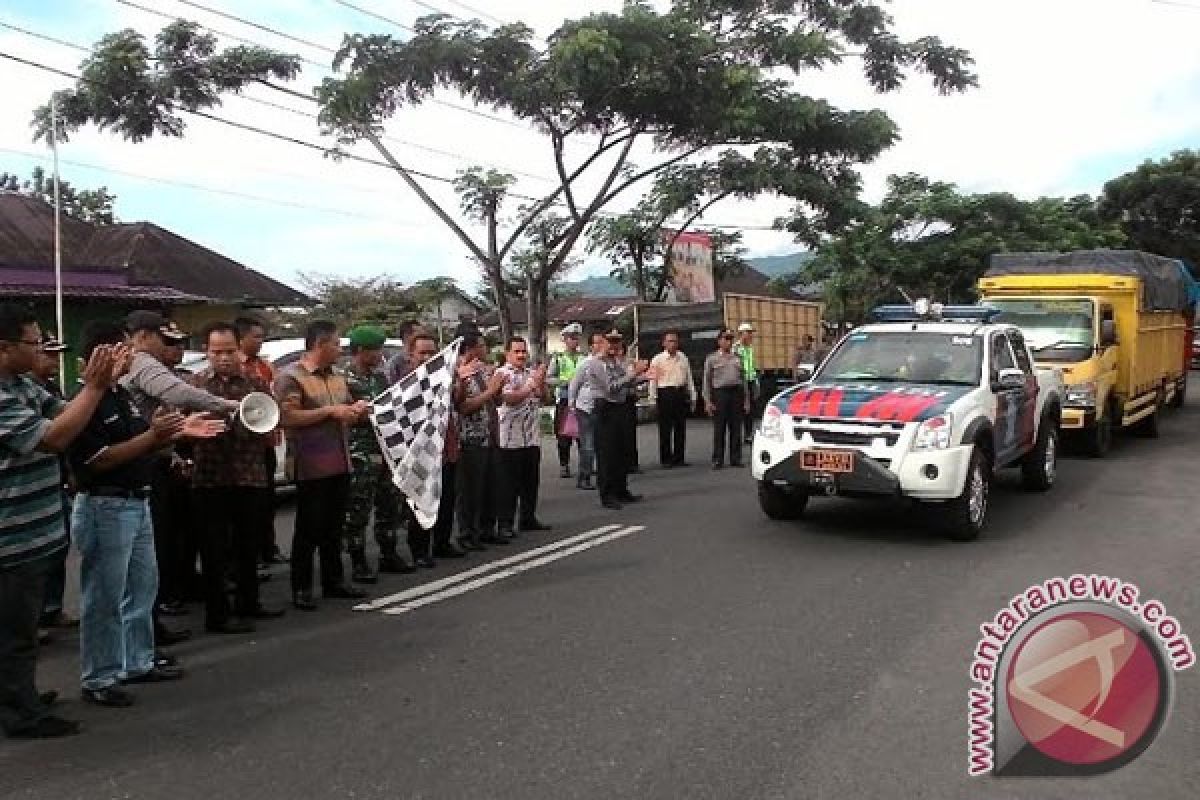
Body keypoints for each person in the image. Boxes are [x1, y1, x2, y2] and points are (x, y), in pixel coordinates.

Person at [68, 320, 224, 708]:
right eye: (124, 351)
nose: (131, 357)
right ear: (101, 355)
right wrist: (154, 438)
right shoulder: (84, 402)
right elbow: (98, 461)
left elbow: (143, 441)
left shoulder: (122, 395)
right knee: (104, 597)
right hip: (106, 504)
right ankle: (99, 676)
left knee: (142, 588)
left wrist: (179, 430)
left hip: (135, 502)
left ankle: (136, 660)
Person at [0, 304, 121, 738]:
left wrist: (97, 388)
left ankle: (19, 693)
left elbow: (64, 412)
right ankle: (21, 713)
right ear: (4, 347)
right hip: (11, 538)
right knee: (14, 633)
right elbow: (51, 438)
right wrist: (94, 386)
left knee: (22, 627)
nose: (42, 350)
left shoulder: (21, 386)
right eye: (34, 343)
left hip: (35, 532)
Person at [121, 310, 237, 647]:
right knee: (145, 556)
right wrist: (228, 405)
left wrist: (171, 453)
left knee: (154, 552)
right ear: (143, 336)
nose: (168, 347)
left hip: (149, 459)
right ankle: (143, 638)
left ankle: (149, 630)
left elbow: (153, 420)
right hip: (133, 469)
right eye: (164, 339)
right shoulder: (141, 361)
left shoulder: (140, 362)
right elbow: (178, 394)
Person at [188, 322, 285, 634]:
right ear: (207, 352)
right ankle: (218, 614)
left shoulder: (255, 382)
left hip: (249, 474)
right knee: (214, 549)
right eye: (217, 352)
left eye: (229, 351)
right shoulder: (196, 385)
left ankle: (249, 602)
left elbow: (270, 422)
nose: (224, 358)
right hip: (209, 477)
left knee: (248, 544)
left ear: (238, 350)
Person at [274, 320, 370, 611]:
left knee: (333, 526)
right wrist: (330, 411)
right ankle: (301, 587)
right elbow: (287, 417)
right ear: (320, 344)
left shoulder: (338, 377)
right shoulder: (291, 378)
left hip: (340, 460)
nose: (340, 350)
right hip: (309, 463)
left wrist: (356, 411)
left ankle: (334, 580)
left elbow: (347, 412)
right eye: (336, 344)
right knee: (308, 528)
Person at [343, 324, 413, 582]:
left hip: (385, 449)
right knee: (358, 509)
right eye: (375, 349)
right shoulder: (344, 380)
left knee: (389, 504)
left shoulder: (380, 378)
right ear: (361, 350)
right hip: (360, 451)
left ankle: (389, 553)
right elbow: (349, 414)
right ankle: (358, 561)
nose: (380, 354)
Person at [28, 334, 78, 638]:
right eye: (47, 354)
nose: (54, 360)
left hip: (55, 477)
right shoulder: (24, 391)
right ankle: (34, 618)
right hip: (26, 490)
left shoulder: (48, 388)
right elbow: (52, 437)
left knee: (57, 547)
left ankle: (51, 608)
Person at [404, 333, 466, 566]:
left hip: (446, 446)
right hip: (421, 452)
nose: (428, 357)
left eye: (432, 352)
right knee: (422, 501)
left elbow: (458, 403)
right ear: (411, 356)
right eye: (423, 353)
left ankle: (442, 542)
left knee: (447, 497)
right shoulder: (407, 384)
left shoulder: (443, 377)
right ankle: (419, 549)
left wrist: (458, 382)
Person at [572, 330, 650, 510]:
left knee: (621, 451)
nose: (615, 345)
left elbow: (625, 382)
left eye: (617, 341)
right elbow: (610, 387)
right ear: (601, 343)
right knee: (607, 454)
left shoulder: (615, 362)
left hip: (620, 407)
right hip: (605, 407)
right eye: (611, 341)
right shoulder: (596, 364)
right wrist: (633, 373)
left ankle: (621, 489)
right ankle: (607, 494)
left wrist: (642, 377)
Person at [235, 315, 287, 567]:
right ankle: (251, 553)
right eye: (256, 337)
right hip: (244, 446)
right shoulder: (237, 367)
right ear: (241, 339)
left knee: (267, 500)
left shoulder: (265, 366)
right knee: (249, 503)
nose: (260, 341)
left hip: (265, 441)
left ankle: (268, 547)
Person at [454, 330, 508, 548]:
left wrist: (497, 389)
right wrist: (491, 391)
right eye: (482, 345)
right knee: (470, 491)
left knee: (490, 486)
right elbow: (463, 407)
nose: (485, 350)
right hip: (469, 438)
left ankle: (487, 528)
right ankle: (467, 533)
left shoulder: (484, 371)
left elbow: (495, 401)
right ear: (470, 348)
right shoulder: (458, 372)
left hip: (489, 435)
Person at [495, 336, 551, 537]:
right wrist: (529, 387)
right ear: (507, 353)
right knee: (508, 485)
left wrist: (541, 382)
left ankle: (528, 518)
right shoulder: (502, 374)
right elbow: (508, 400)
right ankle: (505, 524)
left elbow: (544, 398)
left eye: (523, 351)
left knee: (530, 482)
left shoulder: (530, 373)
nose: (521, 355)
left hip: (531, 436)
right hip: (510, 439)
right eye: (516, 351)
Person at [566, 332, 609, 491]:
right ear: (591, 347)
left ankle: (598, 474)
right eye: (597, 343)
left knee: (600, 443)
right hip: (585, 407)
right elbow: (574, 384)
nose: (601, 346)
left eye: (602, 342)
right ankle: (584, 477)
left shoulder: (606, 364)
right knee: (588, 444)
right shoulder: (586, 363)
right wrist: (572, 404)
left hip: (601, 406)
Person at [704, 328, 749, 470]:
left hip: (736, 393)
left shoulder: (738, 358)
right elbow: (707, 381)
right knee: (719, 428)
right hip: (720, 394)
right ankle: (718, 459)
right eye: (726, 338)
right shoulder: (712, 359)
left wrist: (746, 400)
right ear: (719, 341)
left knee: (736, 427)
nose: (728, 341)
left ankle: (735, 458)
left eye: (730, 338)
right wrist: (707, 401)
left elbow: (744, 380)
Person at [649, 331, 695, 468]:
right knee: (665, 428)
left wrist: (692, 396)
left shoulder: (683, 357)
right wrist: (652, 399)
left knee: (680, 427)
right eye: (669, 341)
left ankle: (679, 457)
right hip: (665, 393)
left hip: (679, 392)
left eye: (675, 341)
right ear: (663, 343)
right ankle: (666, 459)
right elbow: (653, 381)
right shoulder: (657, 359)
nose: (672, 344)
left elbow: (689, 378)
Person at [546, 323, 585, 479]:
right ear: (565, 340)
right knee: (563, 435)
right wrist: (564, 381)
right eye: (571, 338)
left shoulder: (584, 358)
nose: (574, 341)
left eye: (576, 338)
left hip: (582, 399)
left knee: (584, 435)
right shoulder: (558, 358)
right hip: (564, 398)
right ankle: (564, 464)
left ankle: (586, 464)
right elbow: (548, 379)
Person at [614, 339, 641, 475]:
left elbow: (635, 379)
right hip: (618, 400)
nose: (619, 351)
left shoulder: (629, 362)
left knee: (630, 432)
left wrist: (644, 376)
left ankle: (632, 463)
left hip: (629, 398)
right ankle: (621, 463)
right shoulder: (611, 364)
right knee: (619, 433)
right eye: (616, 348)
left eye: (621, 348)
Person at [733, 322, 759, 444]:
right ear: (741, 334)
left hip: (750, 381)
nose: (750, 335)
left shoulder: (750, 348)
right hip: (739, 382)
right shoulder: (736, 349)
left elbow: (752, 366)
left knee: (750, 410)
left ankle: (748, 434)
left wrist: (756, 382)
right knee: (740, 409)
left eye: (750, 333)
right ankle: (738, 435)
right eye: (747, 332)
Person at [385, 319, 424, 385]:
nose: (423, 336)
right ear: (407, 336)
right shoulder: (394, 364)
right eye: (419, 334)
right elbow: (390, 390)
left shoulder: (427, 358)